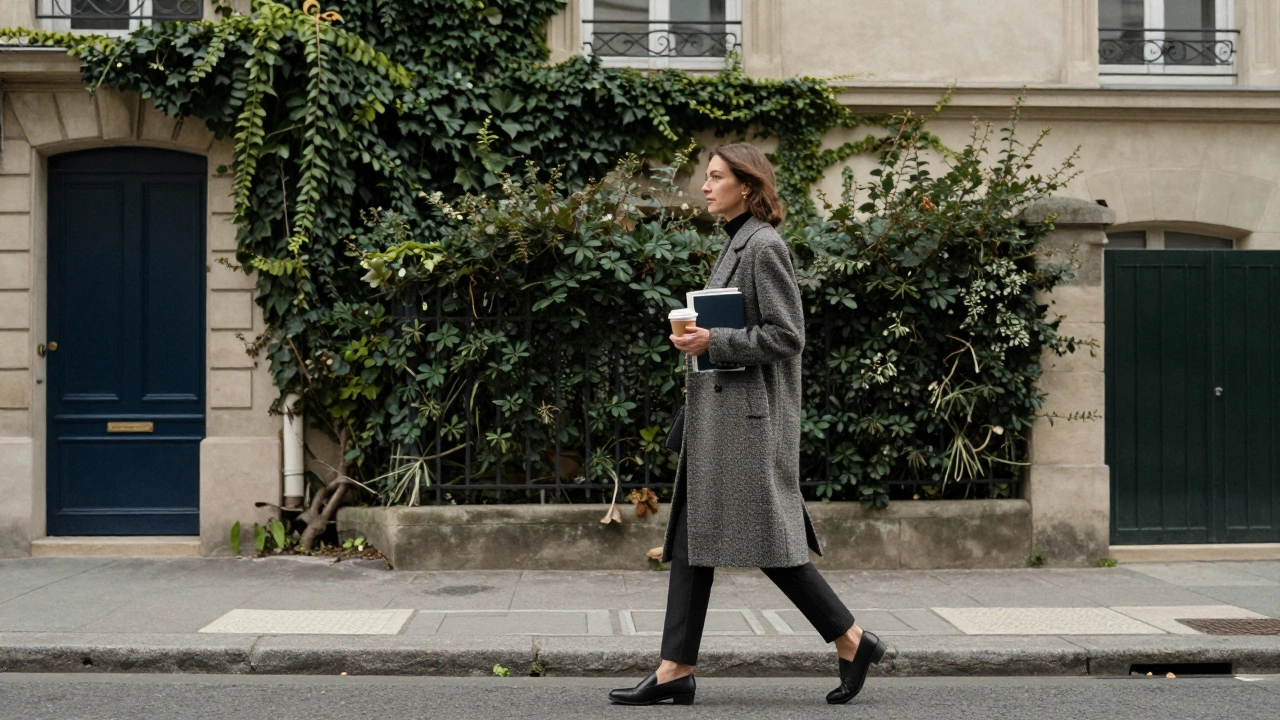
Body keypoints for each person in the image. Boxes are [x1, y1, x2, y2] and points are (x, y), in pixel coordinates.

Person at [608, 144, 884, 707]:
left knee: (771, 544)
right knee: (689, 536)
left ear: (746, 185)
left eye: (715, 177)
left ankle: (852, 639)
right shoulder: (736, 242)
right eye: (705, 177)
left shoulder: (763, 246)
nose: (705, 187)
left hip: (749, 424)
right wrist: (697, 341)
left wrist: (715, 341)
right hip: (721, 419)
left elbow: (788, 335)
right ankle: (674, 669)